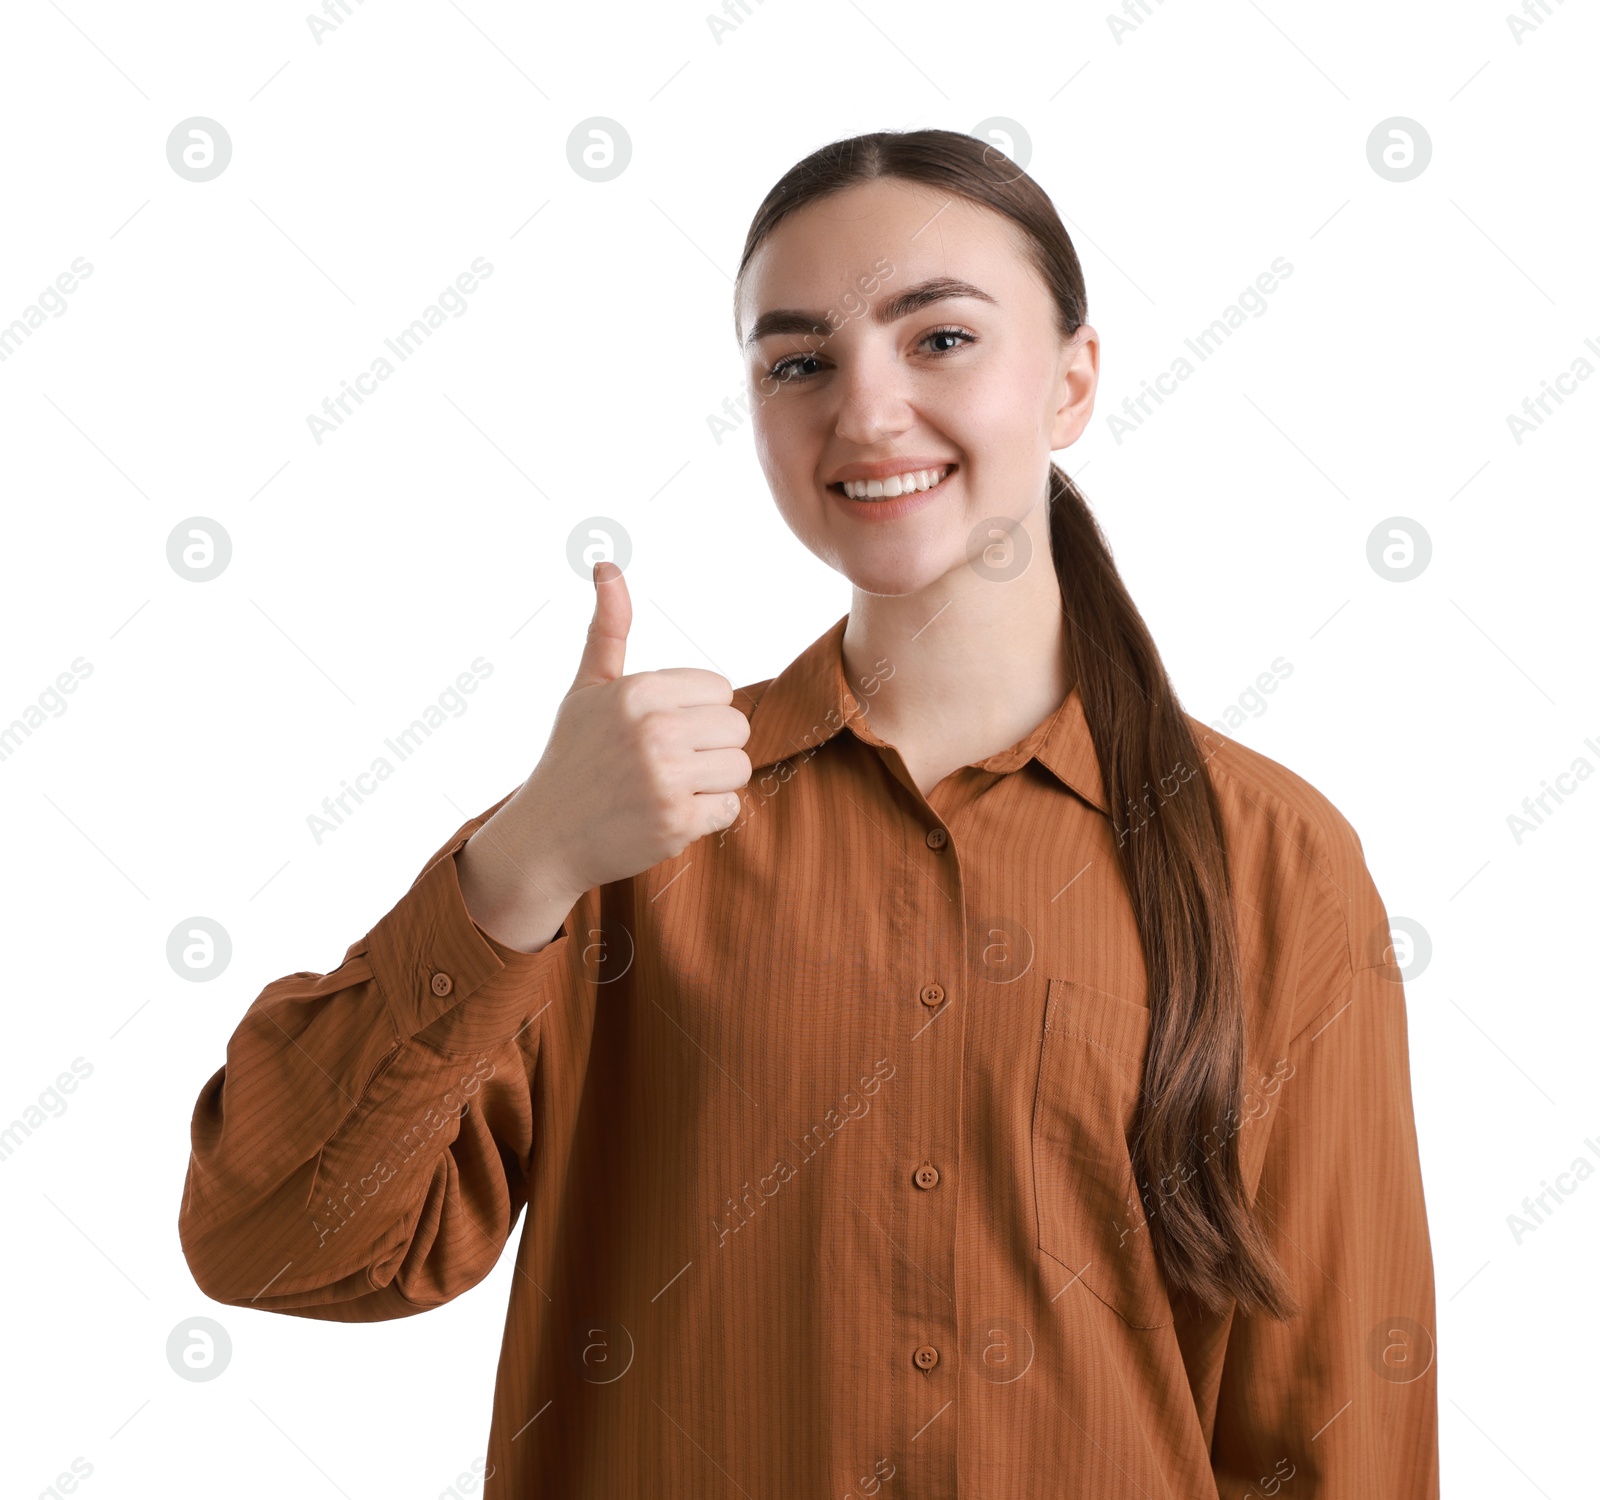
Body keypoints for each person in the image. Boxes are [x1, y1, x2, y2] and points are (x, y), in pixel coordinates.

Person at [178, 127, 1439, 1496]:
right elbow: (276, 1239)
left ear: (1073, 379)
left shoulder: (1277, 862)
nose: (868, 411)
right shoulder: (618, 835)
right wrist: (519, 862)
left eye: (941, 339)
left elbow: (1333, 1422)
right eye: (799, 362)